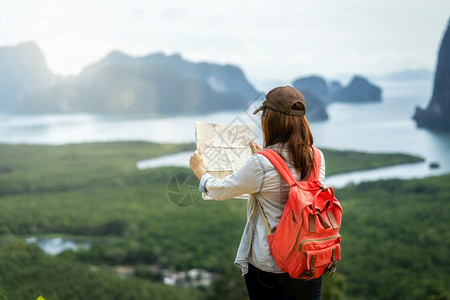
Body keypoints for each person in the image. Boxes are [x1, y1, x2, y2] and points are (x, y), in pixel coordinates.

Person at [189, 86, 326, 300]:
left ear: (270, 119)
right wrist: (267, 156)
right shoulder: (316, 156)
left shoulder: (262, 164)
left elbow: (219, 190)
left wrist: (200, 171)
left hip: (271, 265)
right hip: (309, 259)